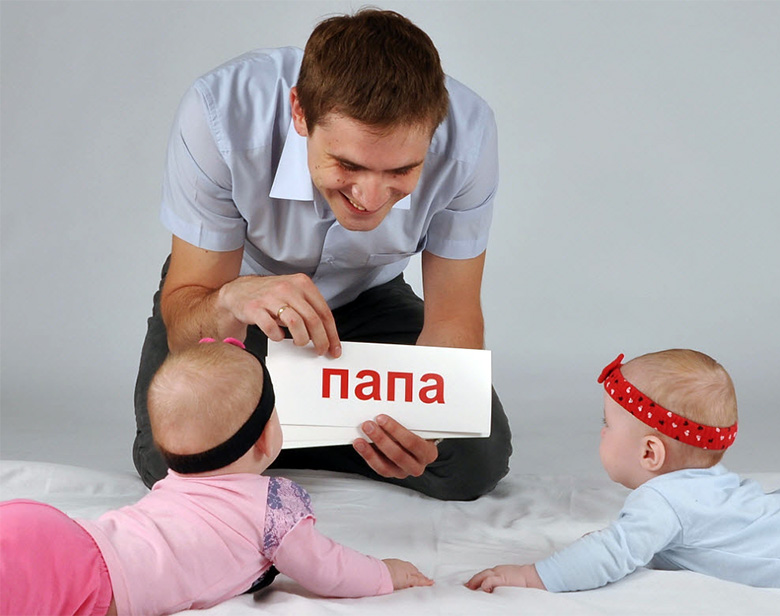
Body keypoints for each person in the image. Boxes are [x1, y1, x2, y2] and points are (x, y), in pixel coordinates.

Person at [132, 8, 511, 500]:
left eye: (401, 171)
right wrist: (232, 300)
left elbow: (454, 317)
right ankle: (311, 420)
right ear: (300, 112)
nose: (370, 198)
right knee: (167, 459)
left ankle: (275, 429)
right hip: (240, 299)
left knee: (470, 460)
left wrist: (428, 426)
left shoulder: (469, 137)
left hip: (368, 297)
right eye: (347, 164)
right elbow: (188, 315)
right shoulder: (221, 113)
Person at [1, 339, 433, 616]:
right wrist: (384, 573)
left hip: (60, 533)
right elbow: (326, 567)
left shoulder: (173, 482)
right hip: (95, 580)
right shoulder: (273, 508)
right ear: (266, 437)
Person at [466, 349, 780, 592]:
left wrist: (532, 576)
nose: (602, 432)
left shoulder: (663, 500)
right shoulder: (712, 484)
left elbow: (609, 555)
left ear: (649, 453)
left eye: (608, 424)